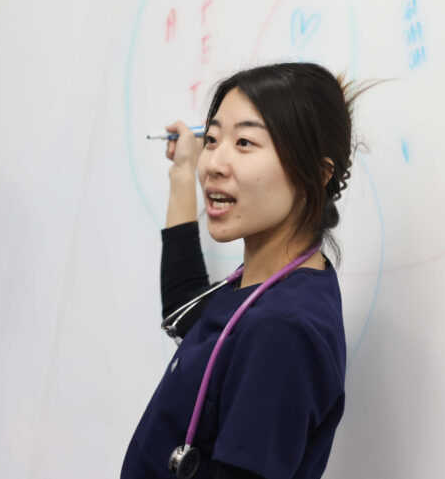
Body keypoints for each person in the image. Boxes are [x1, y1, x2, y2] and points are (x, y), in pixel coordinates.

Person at [122, 63, 362, 479]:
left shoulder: (283, 330)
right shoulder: (263, 284)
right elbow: (189, 310)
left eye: (245, 142)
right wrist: (182, 176)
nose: (214, 162)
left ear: (317, 174)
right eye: (212, 140)